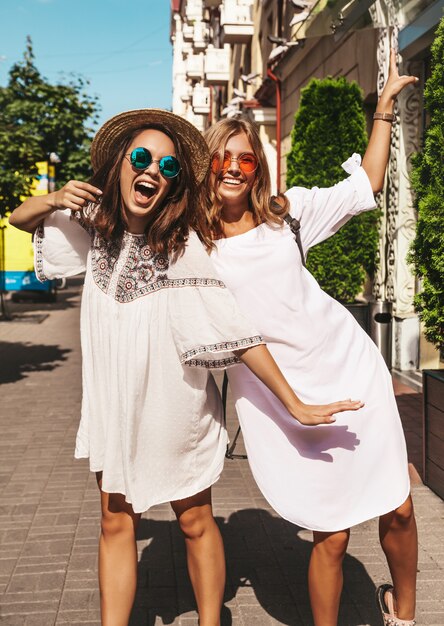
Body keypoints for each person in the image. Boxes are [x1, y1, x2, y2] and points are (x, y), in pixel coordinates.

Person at [9, 109, 362, 626]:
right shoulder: (95, 229)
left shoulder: (182, 247)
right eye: (141, 158)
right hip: (114, 407)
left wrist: (296, 405)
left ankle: (209, 621)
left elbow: (236, 331)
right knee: (113, 520)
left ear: (174, 184)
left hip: (174, 409)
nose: (152, 170)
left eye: (168, 167)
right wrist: (55, 198)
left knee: (195, 520)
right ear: (121, 166)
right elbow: (20, 218)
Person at [204, 50, 419, 626]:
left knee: (398, 506)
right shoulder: (192, 247)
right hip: (282, 397)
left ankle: (405, 615)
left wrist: (387, 106)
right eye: (221, 159)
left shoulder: (288, 215)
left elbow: (366, 185)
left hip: (350, 367)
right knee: (332, 531)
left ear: (257, 170)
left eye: (244, 161)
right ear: (207, 166)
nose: (231, 169)